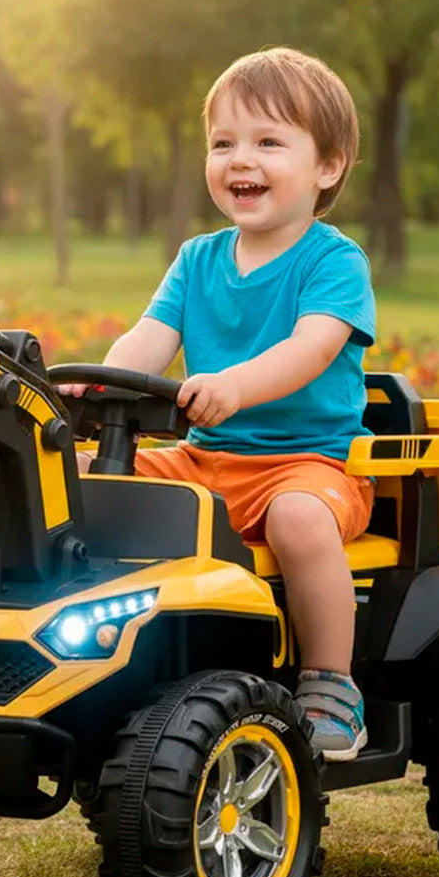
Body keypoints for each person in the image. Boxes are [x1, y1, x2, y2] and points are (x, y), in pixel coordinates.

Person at [66, 46, 375, 760]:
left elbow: (311, 349)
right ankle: (81, 651)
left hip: (310, 466)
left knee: (299, 520)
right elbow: (150, 338)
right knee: (78, 480)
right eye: (223, 143)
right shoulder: (197, 258)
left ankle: (331, 683)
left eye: (269, 141)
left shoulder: (333, 261)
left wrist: (234, 386)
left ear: (327, 167)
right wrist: (104, 379)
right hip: (208, 460)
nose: (242, 159)